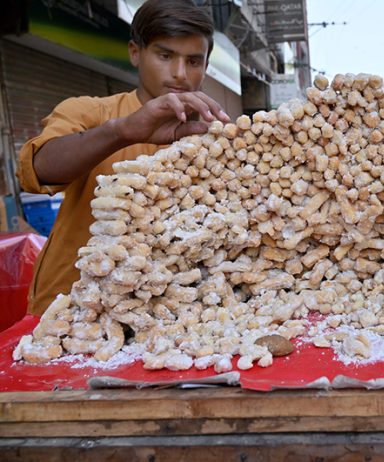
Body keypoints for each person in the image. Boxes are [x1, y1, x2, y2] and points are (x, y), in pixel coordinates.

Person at [17, 0, 230, 316]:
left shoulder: (213, 136)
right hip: (70, 307)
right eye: (165, 55)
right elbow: (37, 170)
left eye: (194, 61)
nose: (180, 74)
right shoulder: (92, 113)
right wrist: (124, 131)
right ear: (135, 53)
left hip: (167, 315)